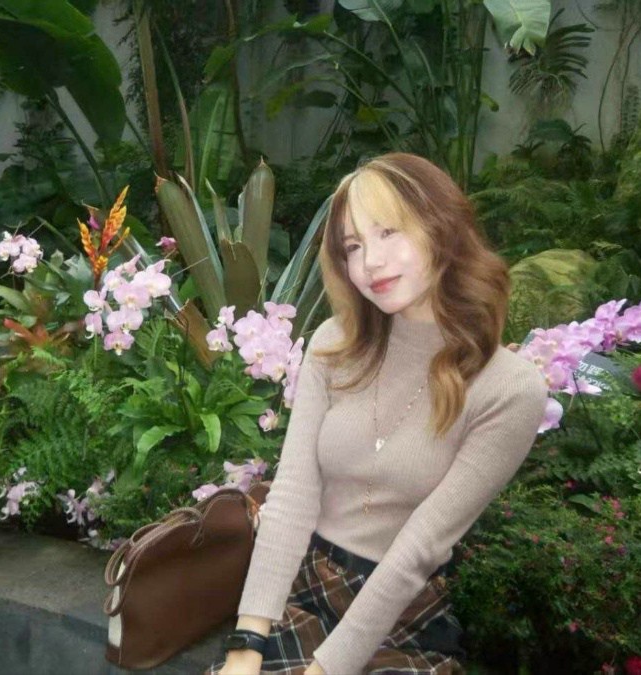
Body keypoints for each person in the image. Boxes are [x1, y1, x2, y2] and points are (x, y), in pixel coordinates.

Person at [207, 153, 548, 675]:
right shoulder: (333, 345)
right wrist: (246, 645)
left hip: (402, 615)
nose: (370, 261)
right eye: (353, 246)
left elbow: (419, 548)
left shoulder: (509, 388)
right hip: (302, 589)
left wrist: (325, 670)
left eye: (389, 232)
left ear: (442, 229)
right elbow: (293, 496)